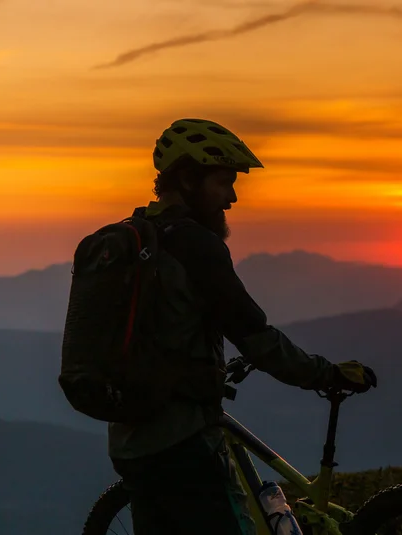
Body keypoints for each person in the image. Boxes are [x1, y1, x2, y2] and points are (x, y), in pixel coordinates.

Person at [109, 118, 378, 535]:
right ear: (186, 178)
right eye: (223, 183)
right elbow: (256, 337)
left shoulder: (133, 239)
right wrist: (325, 373)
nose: (232, 198)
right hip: (186, 445)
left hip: (130, 439)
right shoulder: (195, 247)